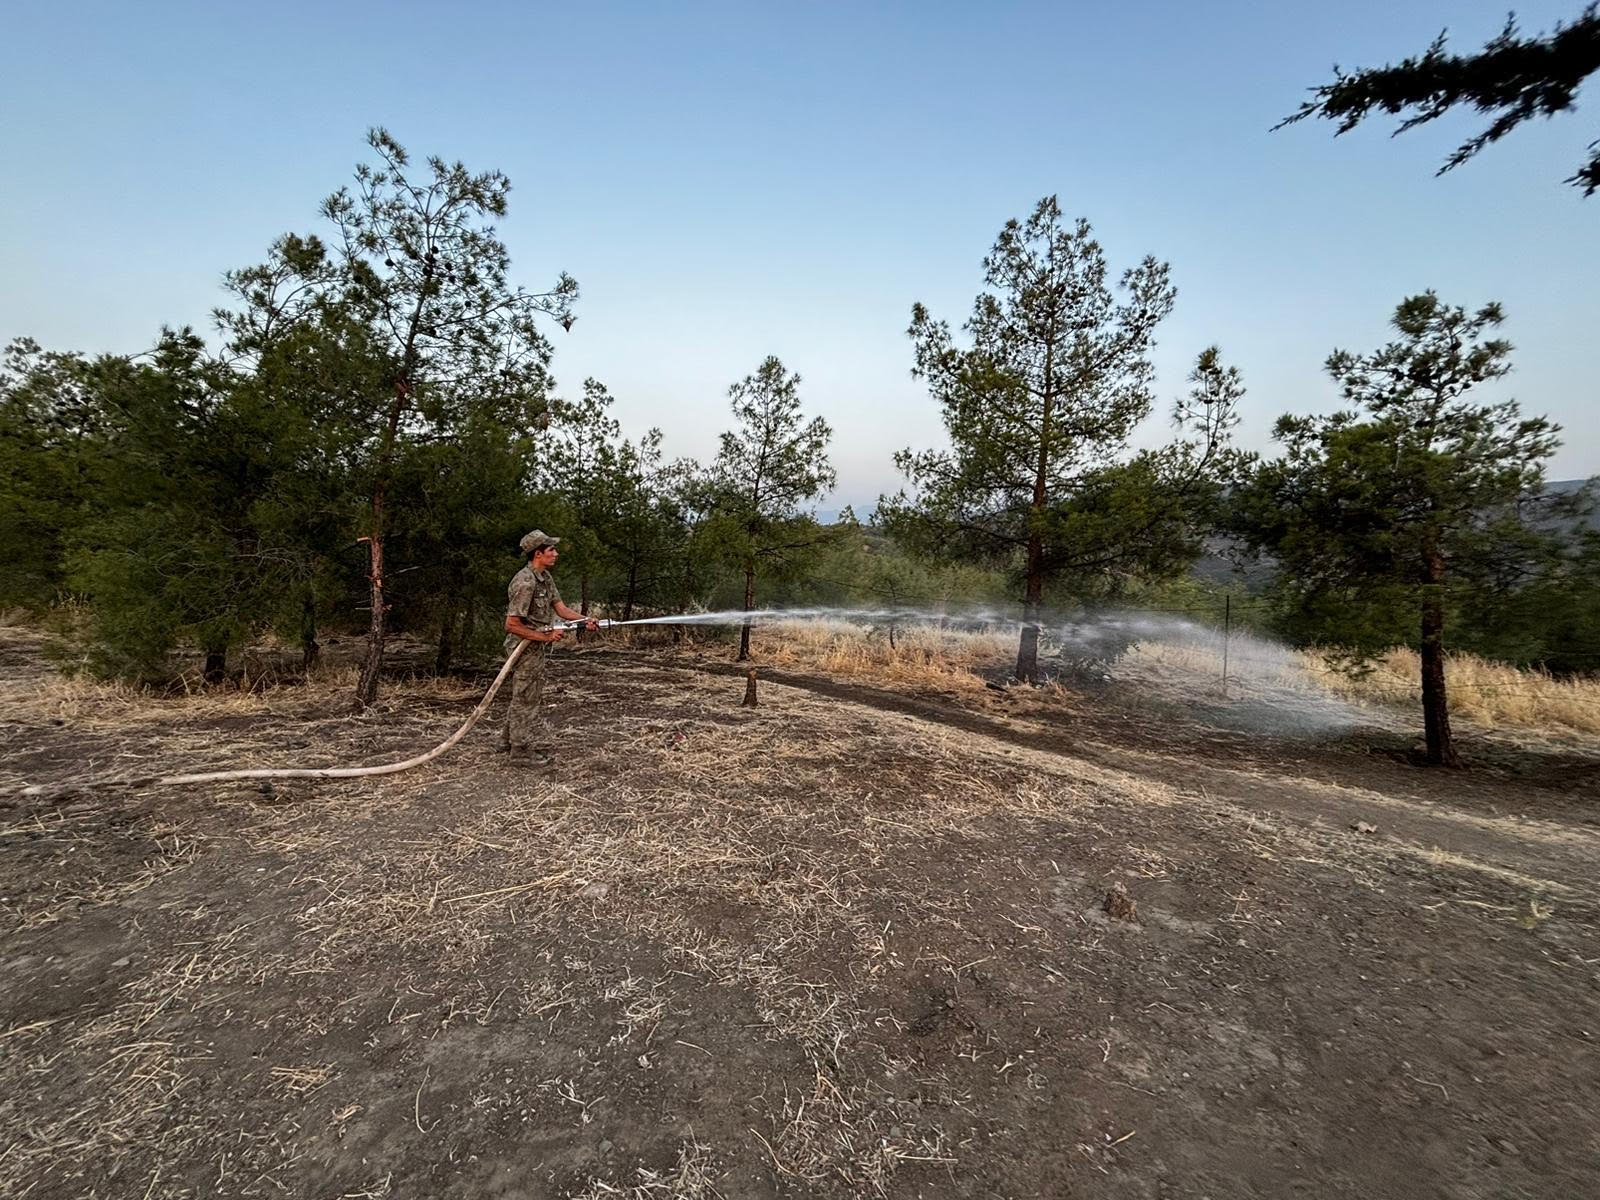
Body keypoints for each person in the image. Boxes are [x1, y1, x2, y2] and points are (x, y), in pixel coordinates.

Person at [502, 530, 597, 765]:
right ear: (538, 553)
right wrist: (545, 637)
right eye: (551, 550)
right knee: (526, 697)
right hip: (523, 649)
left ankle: (507, 741)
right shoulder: (525, 582)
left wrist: (585, 620)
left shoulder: (544, 578)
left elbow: (561, 609)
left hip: (534, 647)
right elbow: (511, 625)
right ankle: (520, 751)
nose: (556, 553)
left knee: (523, 694)